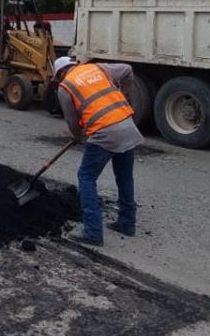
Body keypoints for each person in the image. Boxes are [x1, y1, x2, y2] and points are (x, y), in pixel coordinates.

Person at [53, 56, 144, 246]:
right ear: (74, 65)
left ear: (60, 74)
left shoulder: (65, 87)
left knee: (86, 177)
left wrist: (79, 136)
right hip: (127, 125)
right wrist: (123, 94)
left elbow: (72, 121)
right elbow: (127, 69)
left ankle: (93, 232)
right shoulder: (97, 68)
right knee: (125, 178)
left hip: (104, 131)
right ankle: (127, 223)